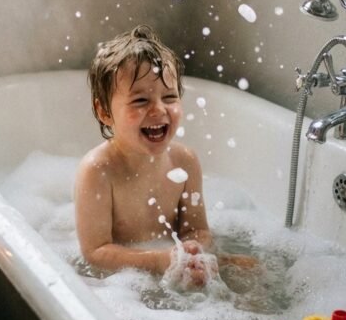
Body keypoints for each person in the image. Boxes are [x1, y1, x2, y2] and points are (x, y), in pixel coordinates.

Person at [75, 25, 242, 285]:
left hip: (165, 265)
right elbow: (96, 253)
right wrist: (158, 260)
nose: (159, 109)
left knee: (249, 270)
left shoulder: (185, 161)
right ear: (104, 111)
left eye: (170, 97)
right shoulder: (98, 171)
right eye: (140, 101)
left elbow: (196, 229)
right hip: (120, 283)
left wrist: (193, 253)